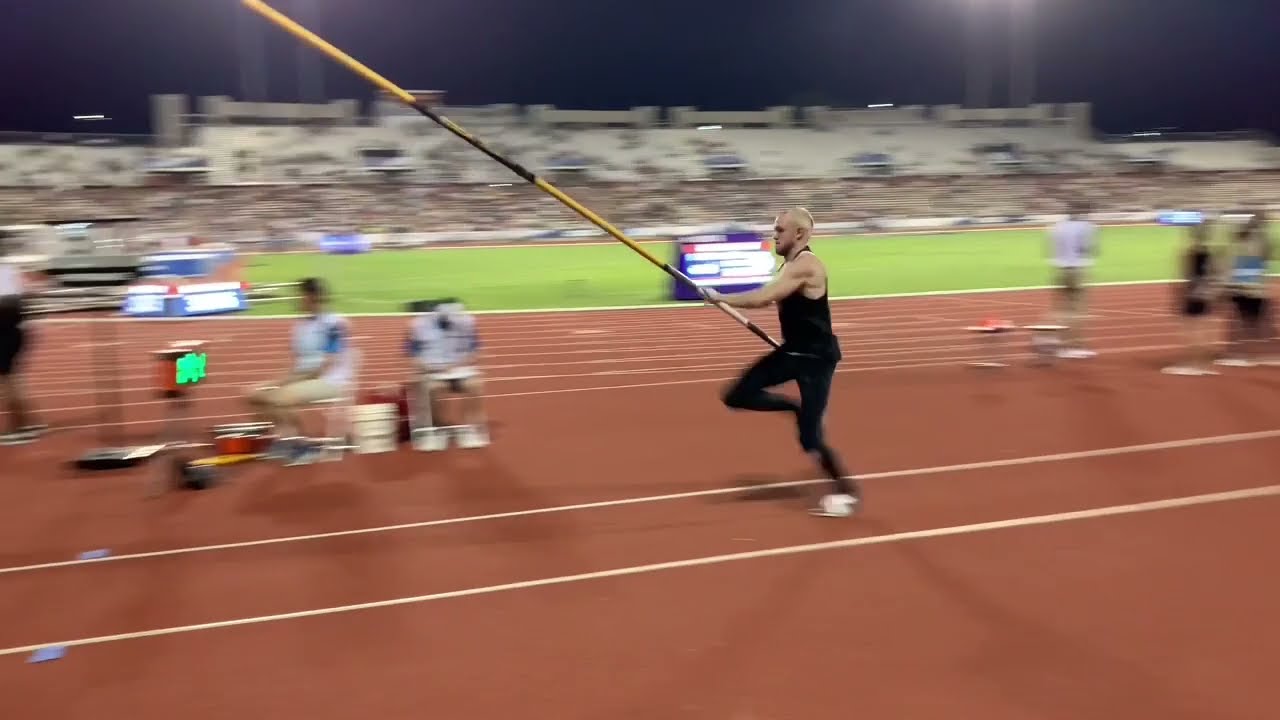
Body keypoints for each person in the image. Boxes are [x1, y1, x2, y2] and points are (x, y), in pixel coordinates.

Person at [702, 208, 860, 518]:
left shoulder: (807, 266)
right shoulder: (790, 265)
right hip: (793, 352)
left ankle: (846, 491)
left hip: (816, 360)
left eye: (780, 230)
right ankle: (792, 407)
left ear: (799, 234)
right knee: (736, 395)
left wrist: (720, 297)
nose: (774, 234)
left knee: (810, 437)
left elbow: (765, 297)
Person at [246, 277, 354, 464]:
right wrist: (274, 382)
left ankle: (302, 446)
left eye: (301, 295)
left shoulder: (334, 324)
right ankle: (286, 437)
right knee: (254, 395)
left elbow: (326, 365)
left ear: (313, 297)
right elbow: (296, 363)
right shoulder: (300, 326)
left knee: (280, 398)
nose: (298, 299)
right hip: (303, 377)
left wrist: (287, 383)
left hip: (330, 380)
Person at [405, 300, 488, 448]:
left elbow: (476, 352)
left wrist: (456, 365)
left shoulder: (466, 324)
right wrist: (428, 368)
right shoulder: (419, 326)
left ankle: (469, 429)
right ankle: (439, 428)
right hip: (432, 372)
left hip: (459, 371)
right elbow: (412, 355)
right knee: (435, 388)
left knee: (474, 385)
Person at [1216, 212, 1273, 367]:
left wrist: (1225, 286)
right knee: (1258, 324)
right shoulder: (1261, 242)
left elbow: (1237, 266)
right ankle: (1265, 353)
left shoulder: (1245, 244)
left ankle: (1237, 353)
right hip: (1255, 288)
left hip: (1244, 288)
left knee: (1238, 324)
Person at [0, 251, 46, 445]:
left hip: (5, 328)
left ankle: (19, 428)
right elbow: (26, 296)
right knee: (15, 380)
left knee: (8, 382)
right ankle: (28, 424)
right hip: (18, 328)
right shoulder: (7, 269)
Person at [1162, 220, 1218, 376]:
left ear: (1194, 236)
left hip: (1193, 295)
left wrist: (1177, 297)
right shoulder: (1209, 253)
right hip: (1205, 294)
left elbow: (1186, 276)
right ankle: (1204, 365)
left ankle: (1194, 364)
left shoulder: (1190, 253)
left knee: (1192, 330)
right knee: (1204, 329)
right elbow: (1213, 274)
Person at [1045, 202, 1099, 358]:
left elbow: (1051, 249)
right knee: (1077, 310)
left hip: (1059, 269)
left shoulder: (1056, 227)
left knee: (1062, 308)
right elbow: (1089, 248)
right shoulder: (1087, 227)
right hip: (1077, 269)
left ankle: (1059, 344)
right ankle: (1074, 346)